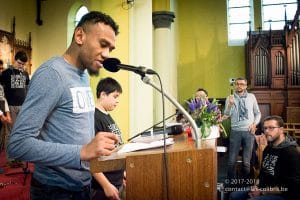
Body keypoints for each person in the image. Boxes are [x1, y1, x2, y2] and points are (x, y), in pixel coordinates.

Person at [7, 11, 120, 199]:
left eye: (111, 49)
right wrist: (82, 151)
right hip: (54, 190)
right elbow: (17, 144)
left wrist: (98, 147)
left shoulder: (83, 74)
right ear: (79, 36)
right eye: (103, 44)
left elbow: (74, 134)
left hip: (82, 186)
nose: (107, 54)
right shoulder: (52, 74)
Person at [229, 115, 300, 200]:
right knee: (234, 196)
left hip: (283, 194)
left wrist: (262, 192)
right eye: (265, 128)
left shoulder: (291, 152)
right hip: (263, 187)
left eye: (271, 128)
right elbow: (262, 172)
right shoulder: (268, 148)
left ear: (281, 130)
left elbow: (292, 185)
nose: (267, 131)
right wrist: (256, 187)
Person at [91, 77, 124, 200]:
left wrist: (122, 175)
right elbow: (91, 157)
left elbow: (115, 147)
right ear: (103, 95)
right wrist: (106, 185)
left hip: (116, 179)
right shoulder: (94, 117)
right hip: (103, 186)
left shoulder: (107, 116)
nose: (117, 101)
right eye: (115, 97)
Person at [224, 77, 261, 182]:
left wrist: (254, 124)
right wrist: (230, 105)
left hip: (249, 132)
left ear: (245, 86)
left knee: (246, 162)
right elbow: (226, 114)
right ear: (235, 85)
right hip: (235, 131)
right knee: (231, 161)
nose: (239, 86)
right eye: (237, 84)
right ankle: (231, 183)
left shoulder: (251, 97)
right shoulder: (230, 98)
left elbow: (258, 113)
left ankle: (245, 183)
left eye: (242, 84)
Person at [0, 51, 30, 166]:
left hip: (23, 106)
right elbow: (1, 92)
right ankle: (10, 159)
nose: (21, 66)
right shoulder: (6, 73)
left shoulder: (25, 74)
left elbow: (27, 89)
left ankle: (18, 157)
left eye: (23, 64)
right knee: (10, 133)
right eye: (19, 63)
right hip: (10, 106)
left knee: (20, 133)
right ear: (14, 60)